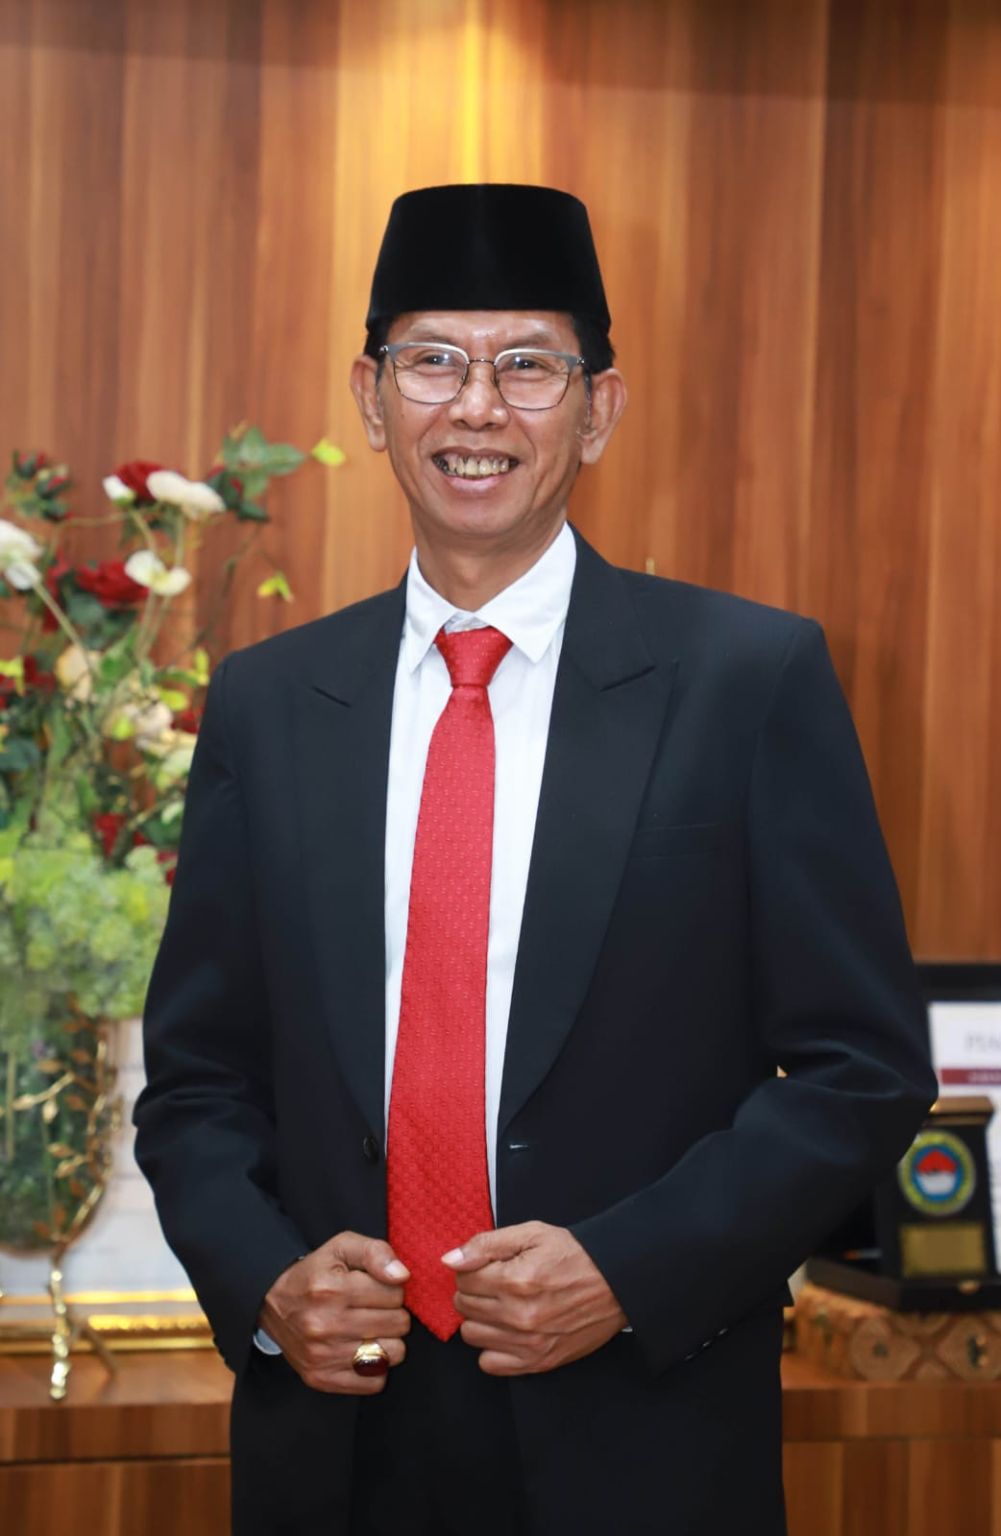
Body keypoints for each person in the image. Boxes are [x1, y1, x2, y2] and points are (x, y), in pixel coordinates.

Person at [134, 184, 937, 1536]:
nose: (477, 408)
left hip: (642, 1426)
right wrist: (267, 1281)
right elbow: (199, 1079)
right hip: (336, 1436)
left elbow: (863, 1068)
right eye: (432, 361)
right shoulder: (271, 704)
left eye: (527, 366)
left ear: (598, 409)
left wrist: (628, 1269)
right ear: (372, 398)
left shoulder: (746, 681)